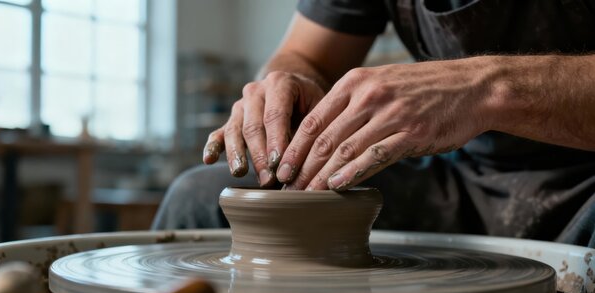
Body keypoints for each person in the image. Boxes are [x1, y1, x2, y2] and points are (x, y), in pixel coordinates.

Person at [154, 0, 595, 247]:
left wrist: (488, 88)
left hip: (584, 180)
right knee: (200, 199)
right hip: (458, 179)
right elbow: (306, 55)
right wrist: (290, 84)